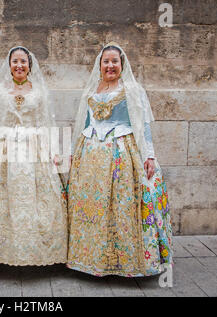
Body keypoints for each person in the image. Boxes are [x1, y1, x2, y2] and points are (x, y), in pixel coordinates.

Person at [67, 42, 173, 277]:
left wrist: (150, 155)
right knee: (94, 206)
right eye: (106, 61)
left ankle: (127, 262)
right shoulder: (92, 91)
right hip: (91, 157)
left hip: (123, 155)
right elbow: (84, 124)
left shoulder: (132, 90)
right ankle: (91, 259)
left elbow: (143, 125)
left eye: (115, 61)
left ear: (122, 65)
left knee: (122, 204)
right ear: (100, 64)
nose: (110, 65)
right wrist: (74, 152)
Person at [0, 46, 68, 266]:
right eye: (15, 61)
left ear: (30, 65)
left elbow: (46, 122)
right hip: (4, 150)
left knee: (39, 200)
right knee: (1, 199)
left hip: (33, 149)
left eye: (23, 62)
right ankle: (0, 253)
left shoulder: (39, 91)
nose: (19, 65)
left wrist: (53, 151)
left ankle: (40, 251)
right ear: (9, 65)